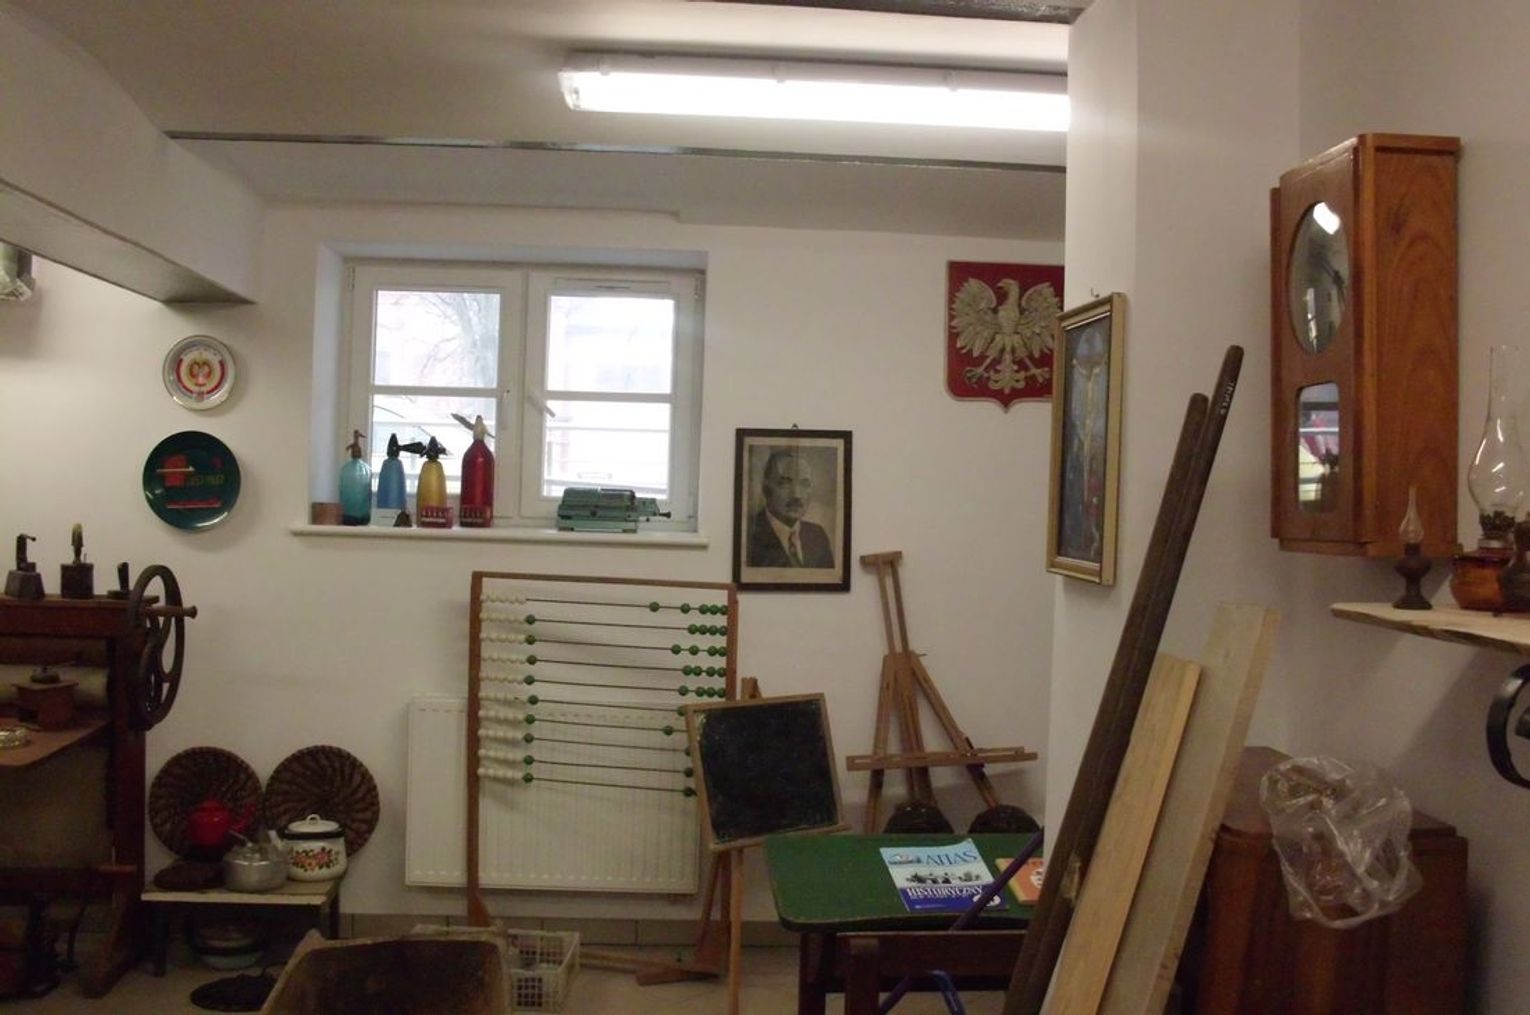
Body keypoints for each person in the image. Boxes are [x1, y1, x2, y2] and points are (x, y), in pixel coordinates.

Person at [747, 449, 835, 568]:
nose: (797, 495)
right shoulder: (749, 533)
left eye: (804, 484)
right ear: (766, 489)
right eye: (785, 483)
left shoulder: (817, 535)